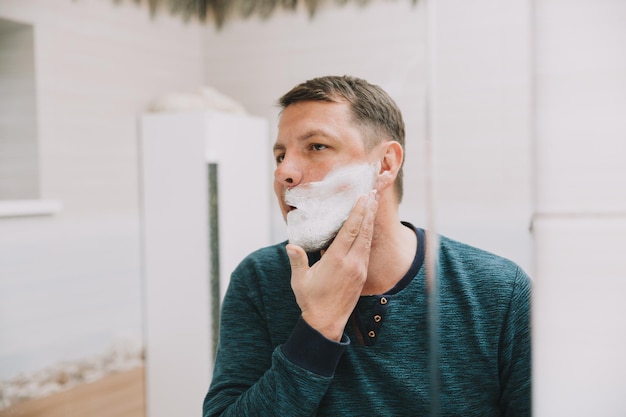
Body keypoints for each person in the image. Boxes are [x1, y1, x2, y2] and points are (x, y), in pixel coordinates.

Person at [202, 75, 531, 417]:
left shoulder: (498, 292)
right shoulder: (259, 280)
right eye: (280, 155)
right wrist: (319, 326)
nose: (283, 171)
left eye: (316, 146)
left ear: (385, 165)